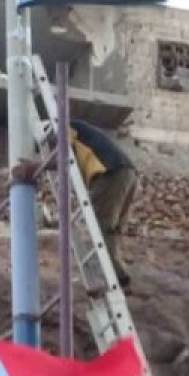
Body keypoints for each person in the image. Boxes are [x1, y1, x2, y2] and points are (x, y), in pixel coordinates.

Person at [69, 119, 139, 292]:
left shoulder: (65, 127)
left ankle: (109, 280)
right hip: (127, 172)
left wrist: (35, 168)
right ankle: (121, 279)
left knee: (100, 227)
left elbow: (60, 157)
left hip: (110, 172)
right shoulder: (81, 131)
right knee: (111, 230)